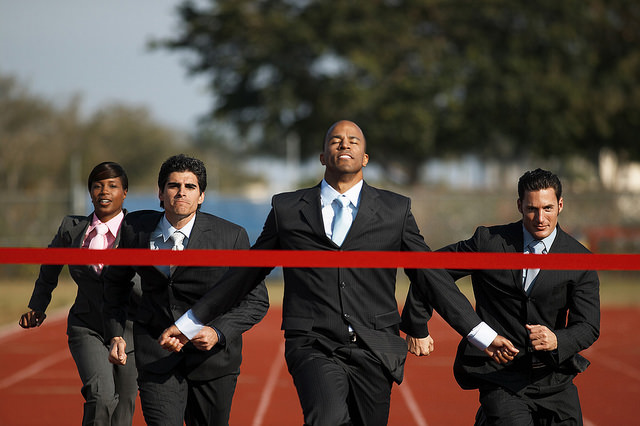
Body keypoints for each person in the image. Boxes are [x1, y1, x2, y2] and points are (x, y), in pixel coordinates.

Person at [159, 120, 518, 426]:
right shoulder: (287, 208)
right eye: (335, 140)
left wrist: (482, 335)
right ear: (322, 156)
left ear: (365, 157)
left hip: (376, 347)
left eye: (353, 141)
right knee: (327, 418)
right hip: (314, 343)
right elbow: (245, 275)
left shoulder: (395, 209)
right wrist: (190, 322)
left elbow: (431, 277)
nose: (344, 144)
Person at [102, 154, 269, 426]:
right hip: (156, 356)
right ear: (160, 192)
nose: (181, 193)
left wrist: (217, 332)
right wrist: (115, 334)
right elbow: (115, 282)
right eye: (173, 186)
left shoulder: (231, 236)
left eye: (190, 187)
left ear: (201, 196)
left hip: (213, 361)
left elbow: (256, 300)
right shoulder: (135, 229)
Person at [428, 168, 600, 425]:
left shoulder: (580, 259)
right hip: (501, 377)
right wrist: (417, 325)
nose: (540, 218)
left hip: (554, 379)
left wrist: (556, 339)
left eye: (548, 208)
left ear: (560, 205)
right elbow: (430, 268)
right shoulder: (488, 241)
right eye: (532, 209)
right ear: (519, 205)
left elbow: (588, 326)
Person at [19, 161, 139, 425]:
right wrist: (38, 306)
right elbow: (50, 267)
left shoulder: (140, 230)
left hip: (130, 329)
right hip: (87, 326)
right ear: (90, 192)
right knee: (102, 397)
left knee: (123, 410)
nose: (104, 191)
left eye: (112, 186)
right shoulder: (70, 228)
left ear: (125, 192)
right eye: (97, 186)